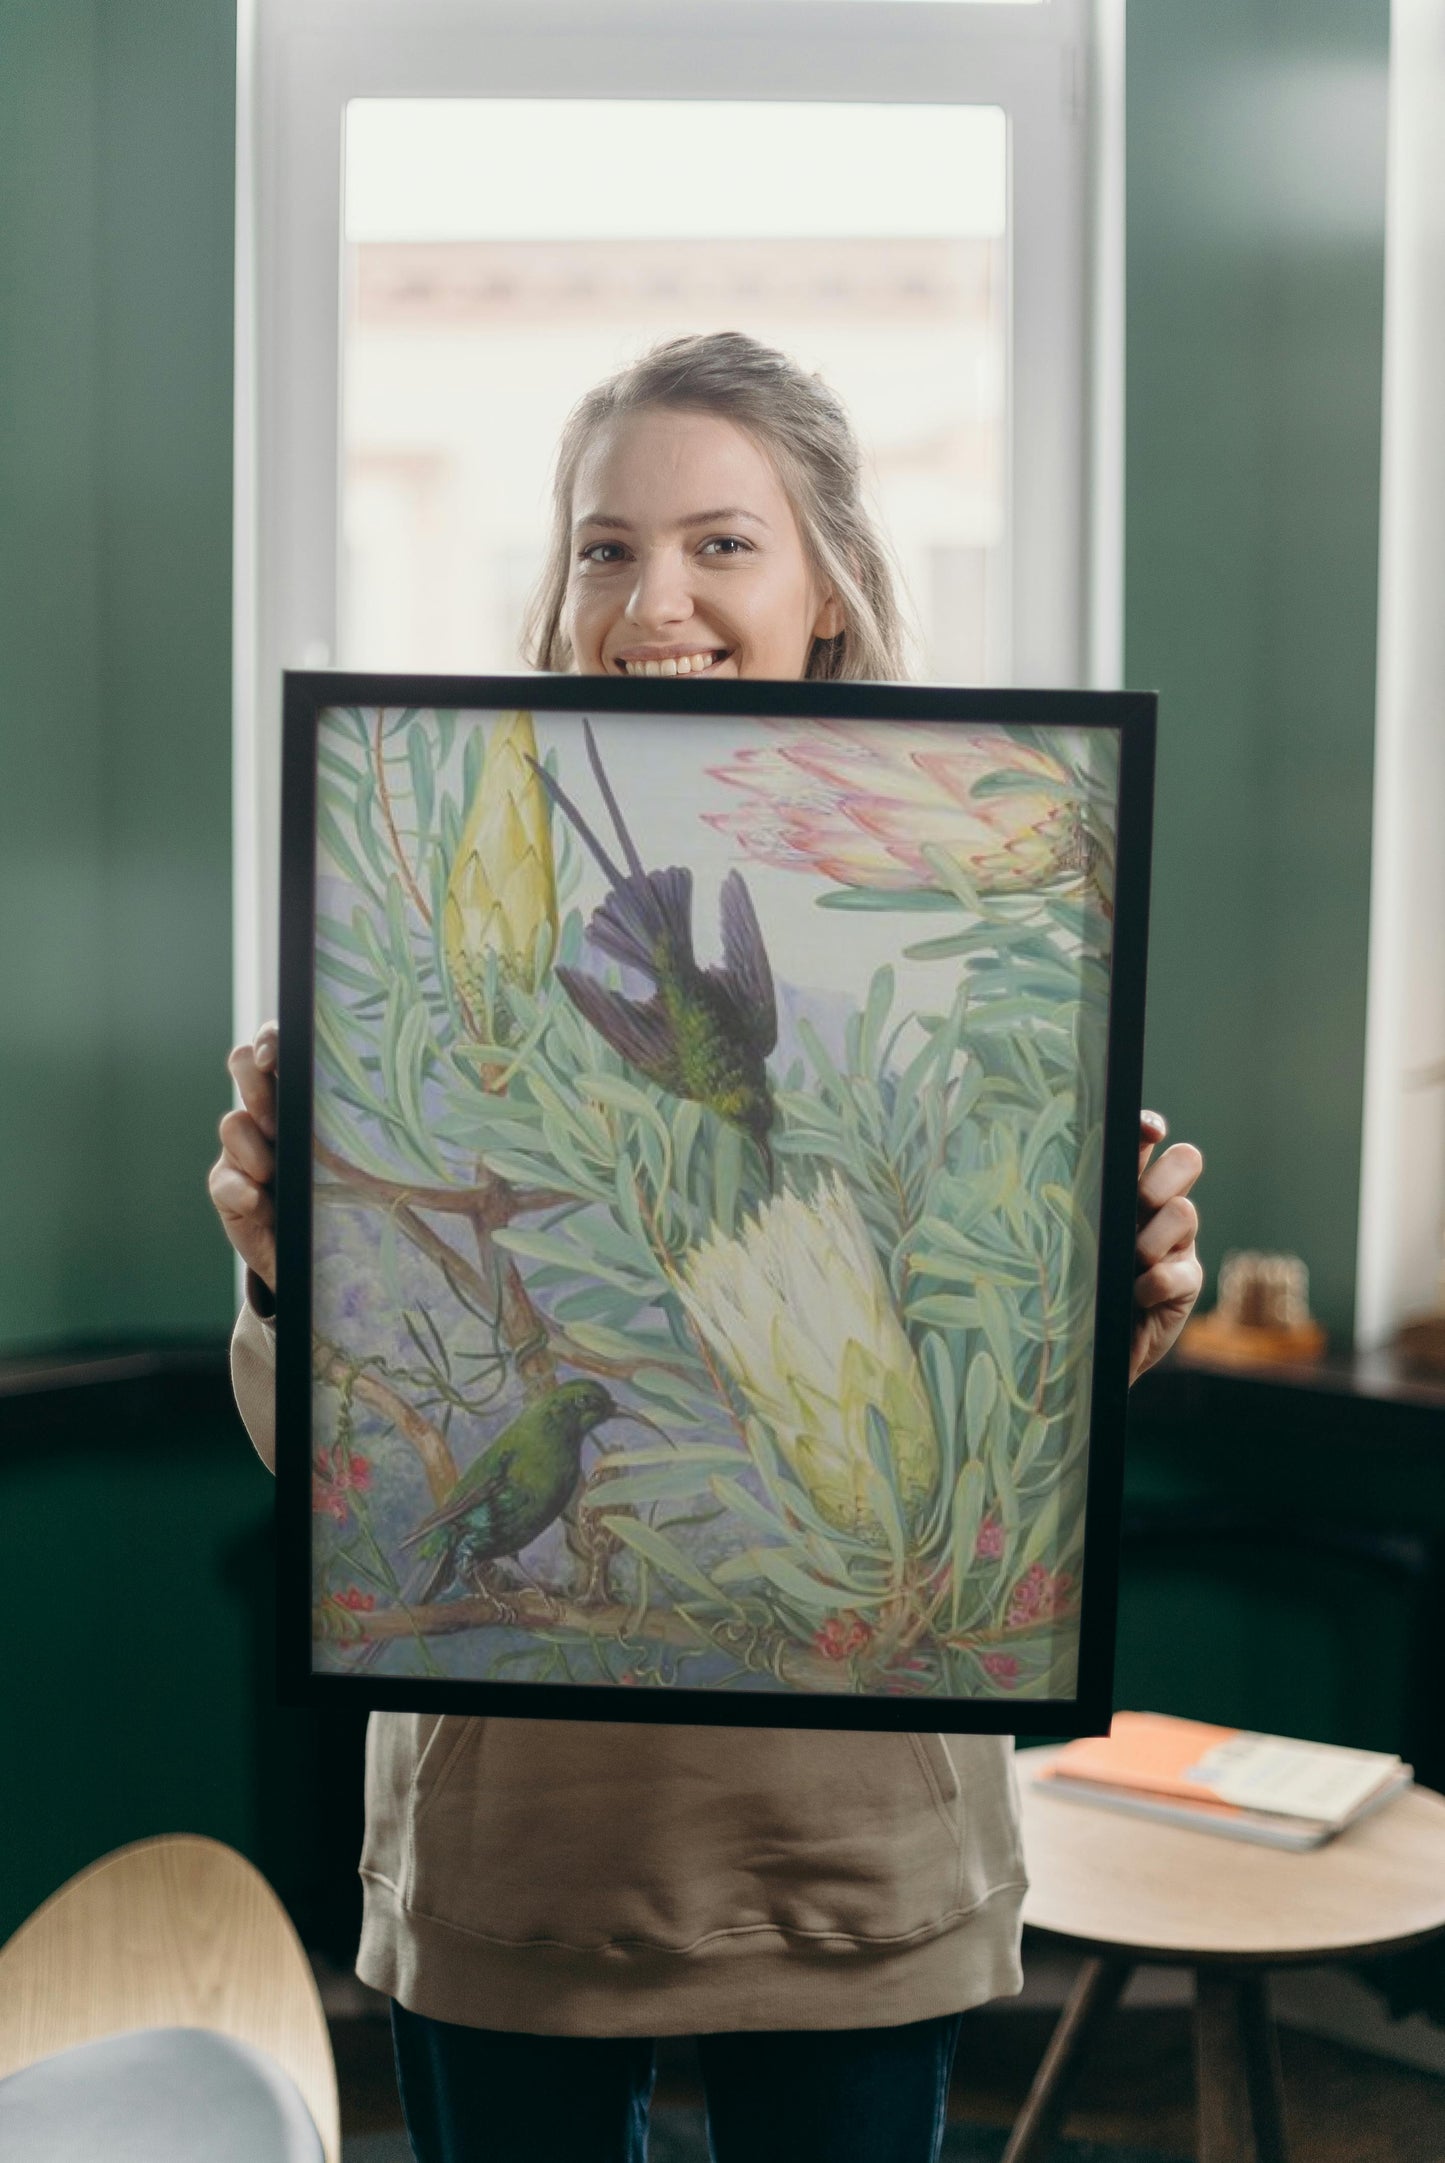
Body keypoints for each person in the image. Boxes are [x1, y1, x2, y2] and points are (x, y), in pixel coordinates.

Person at [209, 332, 1204, 2163]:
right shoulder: (420, 934)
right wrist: (289, 1270)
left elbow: (1009, 1429)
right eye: (604, 546)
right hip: (519, 1848)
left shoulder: (976, 905)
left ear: (826, 584)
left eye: (719, 543)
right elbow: (337, 1462)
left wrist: (1113, 1300)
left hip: (849, 1849)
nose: (651, 597)